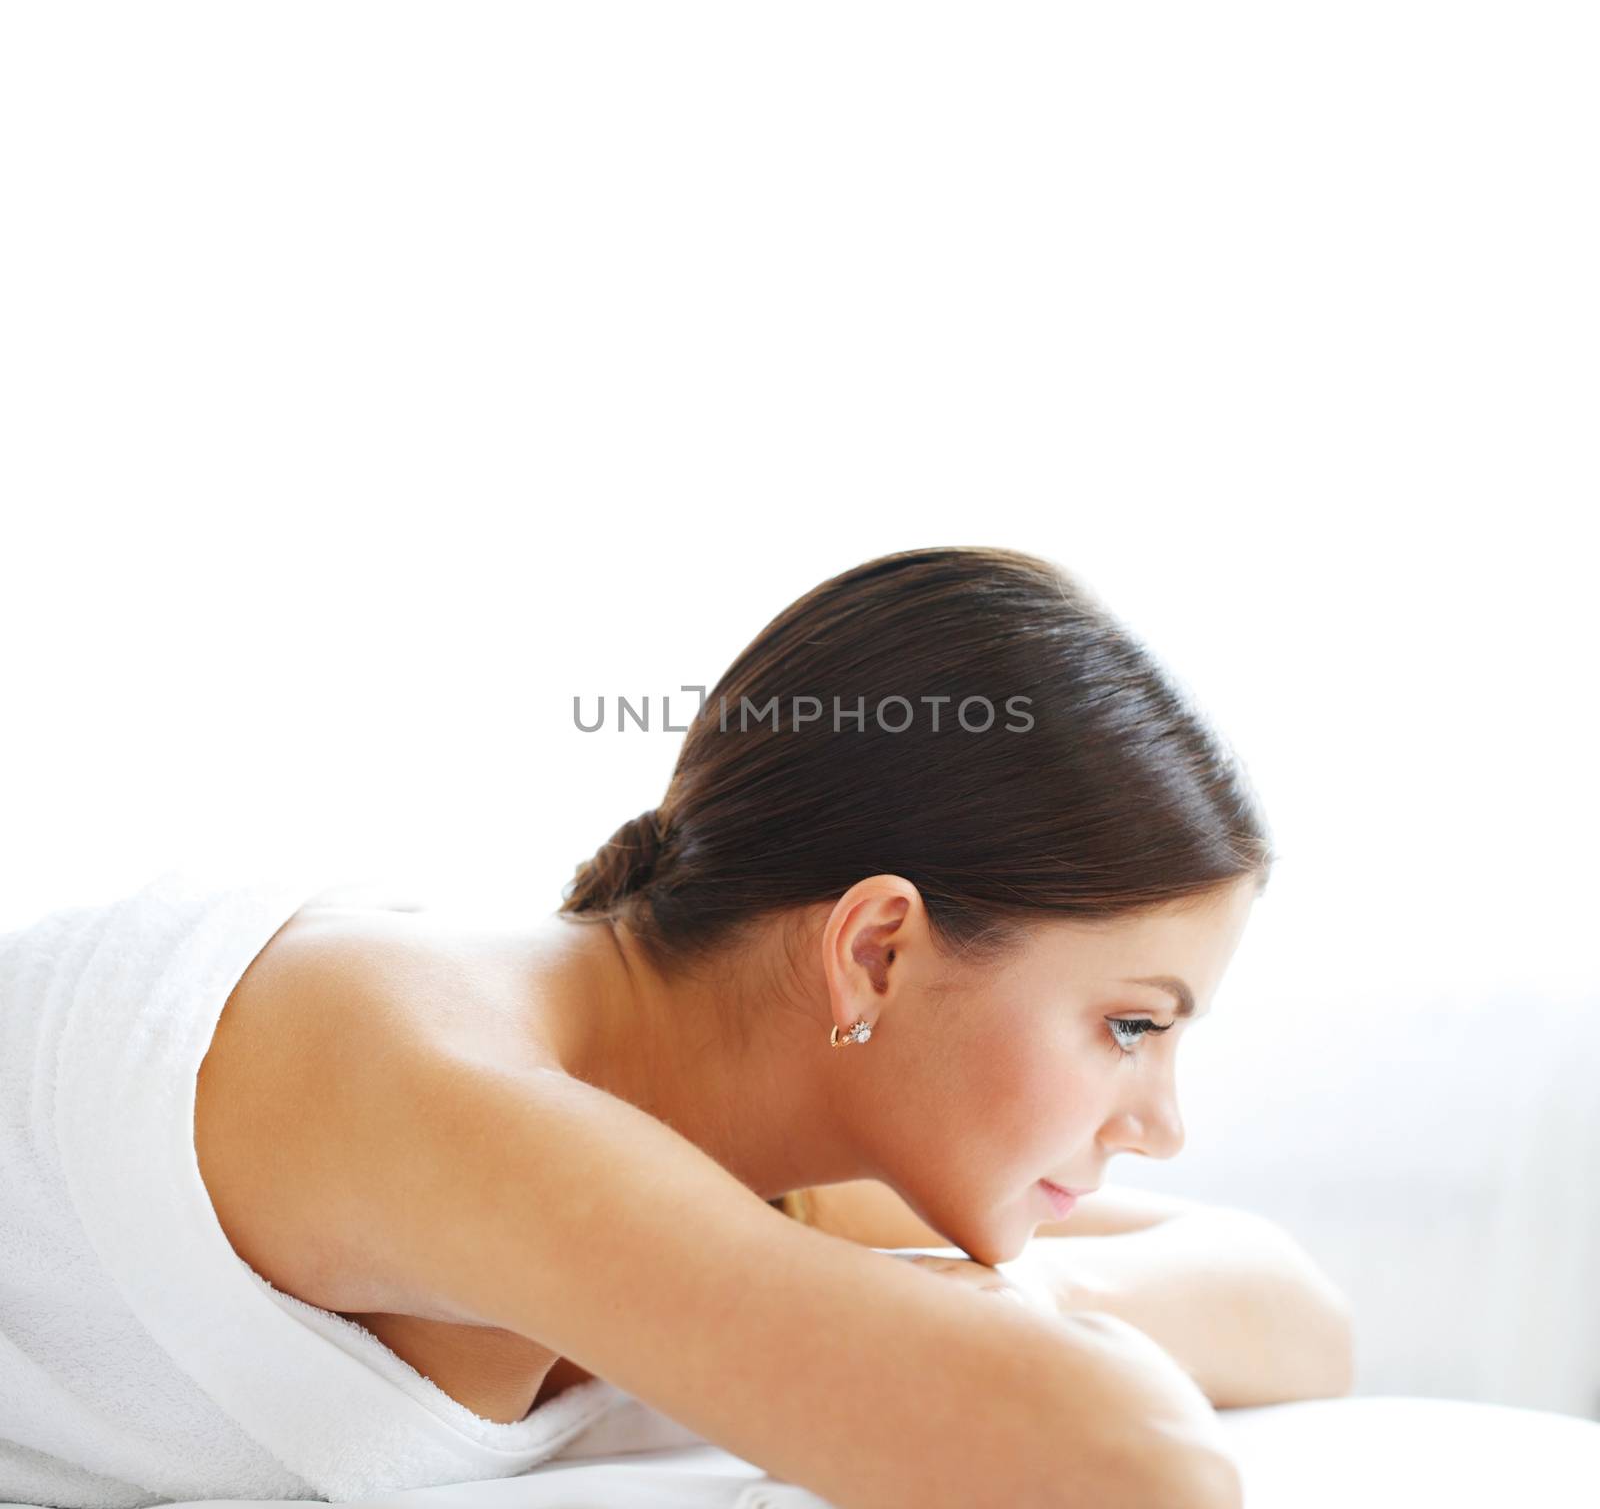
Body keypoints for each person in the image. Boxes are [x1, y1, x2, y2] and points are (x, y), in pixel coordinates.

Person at [193, 542, 1270, 1507]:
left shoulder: (754, 1135)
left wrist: (996, 1297)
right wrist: (954, 1334)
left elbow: (1280, 1293)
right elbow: (1140, 1468)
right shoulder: (424, 1069)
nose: (1161, 1125)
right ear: (873, 953)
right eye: (1132, 1024)